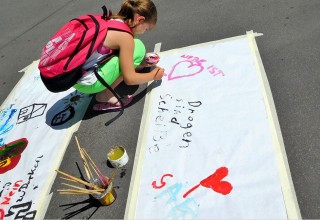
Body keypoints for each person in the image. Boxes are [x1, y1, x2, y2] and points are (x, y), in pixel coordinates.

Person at [74, 0, 164, 111]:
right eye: (146, 28)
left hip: (75, 74)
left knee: (135, 46)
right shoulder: (125, 37)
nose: (143, 32)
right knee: (138, 49)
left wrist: (139, 64)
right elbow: (130, 79)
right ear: (140, 20)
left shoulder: (113, 19)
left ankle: (129, 69)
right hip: (87, 83)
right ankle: (105, 94)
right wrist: (154, 76)